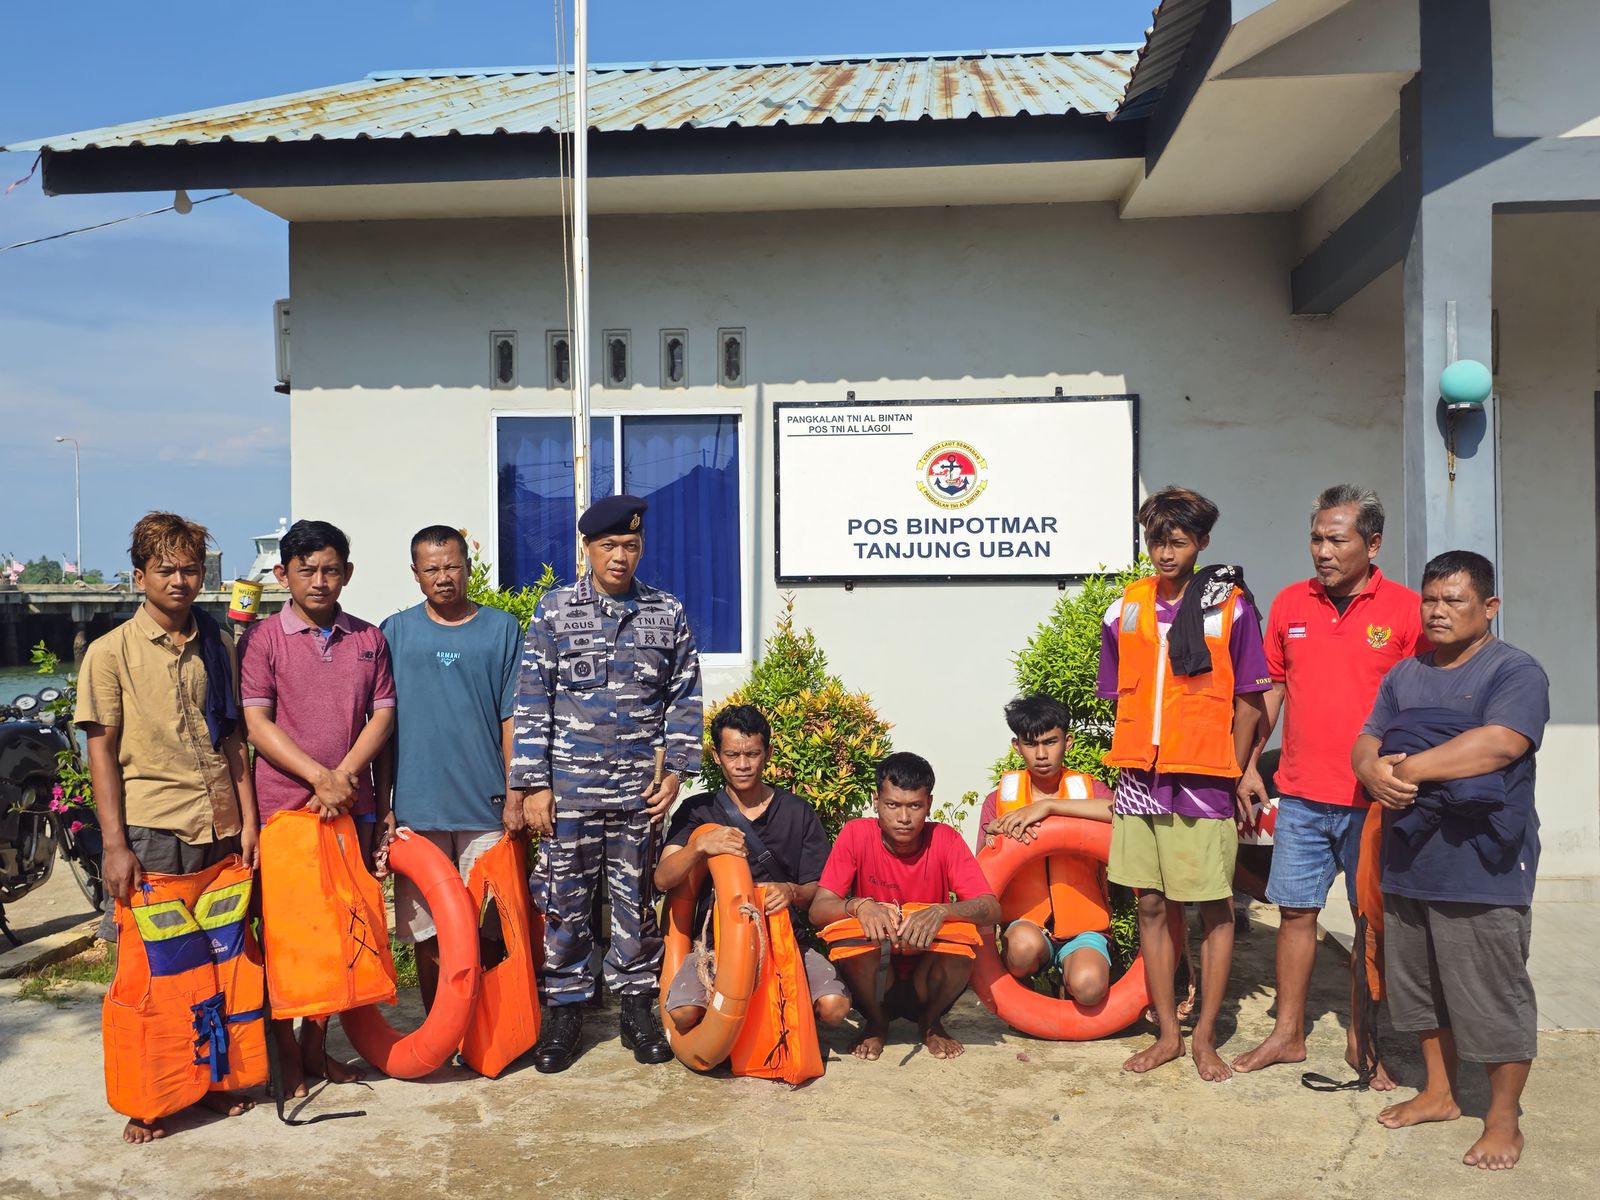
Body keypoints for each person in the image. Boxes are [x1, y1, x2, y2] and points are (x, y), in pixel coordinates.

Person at [1352, 550, 1548, 1171]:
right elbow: (1367, 737)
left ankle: (1502, 1118)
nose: (1437, 612)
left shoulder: (1514, 671)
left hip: (1482, 865)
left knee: (1491, 995)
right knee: (1419, 991)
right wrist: (1369, 770)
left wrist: (1404, 768)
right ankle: (1438, 1092)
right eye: (1430, 600)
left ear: (1488, 607)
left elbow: (1499, 744)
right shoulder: (1405, 674)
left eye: (1453, 600)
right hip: (1412, 856)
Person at [75, 512, 260, 1143]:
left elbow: (233, 736)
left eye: (190, 569)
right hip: (154, 830)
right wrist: (116, 846)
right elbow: (102, 752)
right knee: (157, 976)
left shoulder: (217, 643)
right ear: (139, 577)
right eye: (166, 570)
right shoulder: (110, 654)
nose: (180, 581)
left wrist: (250, 819)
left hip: (222, 829)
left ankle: (211, 1084)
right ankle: (152, 1097)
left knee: (222, 966)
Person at [1233, 486, 1425, 1086]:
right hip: (1302, 795)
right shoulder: (1291, 603)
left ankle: (1361, 1040)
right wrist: (1245, 768)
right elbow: (1269, 693)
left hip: (1375, 802)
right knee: (1296, 913)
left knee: (1371, 921)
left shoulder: (1407, 610)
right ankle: (1288, 1034)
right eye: (1316, 538)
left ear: (1372, 544)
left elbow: (1428, 701)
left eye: (1336, 539)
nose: (1322, 550)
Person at [510, 495, 703, 1072]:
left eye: (631, 546)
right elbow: (532, 699)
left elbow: (685, 695)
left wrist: (676, 773)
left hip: (638, 795)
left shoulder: (665, 613)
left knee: (636, 902)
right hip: (569, 790)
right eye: (609, 546)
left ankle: (637, 1007)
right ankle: (565, 1009)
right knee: (565, 903)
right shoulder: (554, 612)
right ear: (588, 548)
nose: (620, 557)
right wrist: (534, 785)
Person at [1099, 486, 1270, 1082]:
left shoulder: (1233, 607)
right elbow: (1123, 688)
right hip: (1140, 776)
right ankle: (1168, 1033)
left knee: (1213, 906)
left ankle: (1205, 1036)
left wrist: (1242, 767)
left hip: (1203, 776)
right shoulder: (1125, 607)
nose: (1165, 554)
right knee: (1149, 902)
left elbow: (1252, 699)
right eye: (1156, 542)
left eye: (1177, 542)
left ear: (1202, 542)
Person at [239, 519, 395, 1096]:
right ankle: (284, 1051)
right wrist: (317, 777)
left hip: (349, 808)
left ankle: (315, 1048)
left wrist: (346, 776)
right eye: (306, 570)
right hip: (284, 813)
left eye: (331, 569)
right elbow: (257, 723)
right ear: (283, 575)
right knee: (286, 934)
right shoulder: (262, 641)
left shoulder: (368, 639)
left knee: (336, 931)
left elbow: (382, 714)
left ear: (347, 574)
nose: (319, 581)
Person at [377, 525, 525, 1012]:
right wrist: (387, 807)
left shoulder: (502, 629)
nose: (443, 577)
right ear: (416, 574)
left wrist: (515, 793)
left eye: (452, 566)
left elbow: (512, 719)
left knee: (488, 927)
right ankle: (437, 1027)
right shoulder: (394, 633)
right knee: (428, 932)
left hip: (486, 808)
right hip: (418, 812)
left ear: (466, 566)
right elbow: (381, 725)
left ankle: (488, 1026)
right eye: (431, 568)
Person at [654, 704, 851, 1035]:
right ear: (717, 756)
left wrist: (792, 892)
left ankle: (785, 1023)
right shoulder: (696, 810)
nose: (742, 765)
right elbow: (663, 878)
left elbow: (820, 889)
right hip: (716, 945)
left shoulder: (797, 811)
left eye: (752, 754)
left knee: (834, 1008)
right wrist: (698, 846)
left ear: (768, 753)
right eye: (732, 754)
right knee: (684, 1015)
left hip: (783, 939)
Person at [809, 752, 1001, 1062]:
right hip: (874, 981)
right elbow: (818, 910)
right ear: (876, 801)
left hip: (926, 978)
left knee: (962, 947)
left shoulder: (945, 839)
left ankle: (931, 1022)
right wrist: (859, 906)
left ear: (929, 803)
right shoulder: (856, 834)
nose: (903, 817)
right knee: (855, 942)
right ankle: (876, 1021)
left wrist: (942, 911)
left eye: (914, 806)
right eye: (892, 805)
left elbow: (991, 908)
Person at [976, 694, 1114, 1006]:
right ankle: (1026, 992)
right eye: (1030, 744)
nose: (1041, 754)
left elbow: (1122, 811)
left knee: (1090, 987)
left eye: (1050, 742)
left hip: (1084, 929)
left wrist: (1049, 806)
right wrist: (995, 837)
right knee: (1022, 949)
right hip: (1026, 927)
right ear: (1016, 746)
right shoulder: (997, 802)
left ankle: (1069, 977)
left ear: (1069, 742)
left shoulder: (1090, 791)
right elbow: (982, 876)